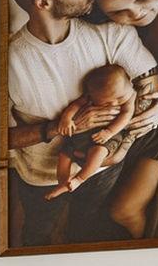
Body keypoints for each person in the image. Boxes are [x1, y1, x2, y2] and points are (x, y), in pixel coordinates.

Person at [2, 0, 158, 244]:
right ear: (44, 2)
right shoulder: (9, 62)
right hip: (39, 176)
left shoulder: (111, 31)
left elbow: (149, 91)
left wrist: (119, 148)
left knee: (87, 230)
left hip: (104, 168)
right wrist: (56, 128)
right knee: (37, 234)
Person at [46, 63, 139, 200]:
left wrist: (109, 132)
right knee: (65, 154)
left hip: (108, 135)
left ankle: (79, 179)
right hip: (82, 134)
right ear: (91, 95)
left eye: (120, 98)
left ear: (129, 82)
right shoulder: (92, 96)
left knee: (98, 152)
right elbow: (76, 105)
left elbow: (126, 115)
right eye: (106, 103)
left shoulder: (130, 95)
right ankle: (62, 183)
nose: (114, 104)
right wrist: (66, 119)